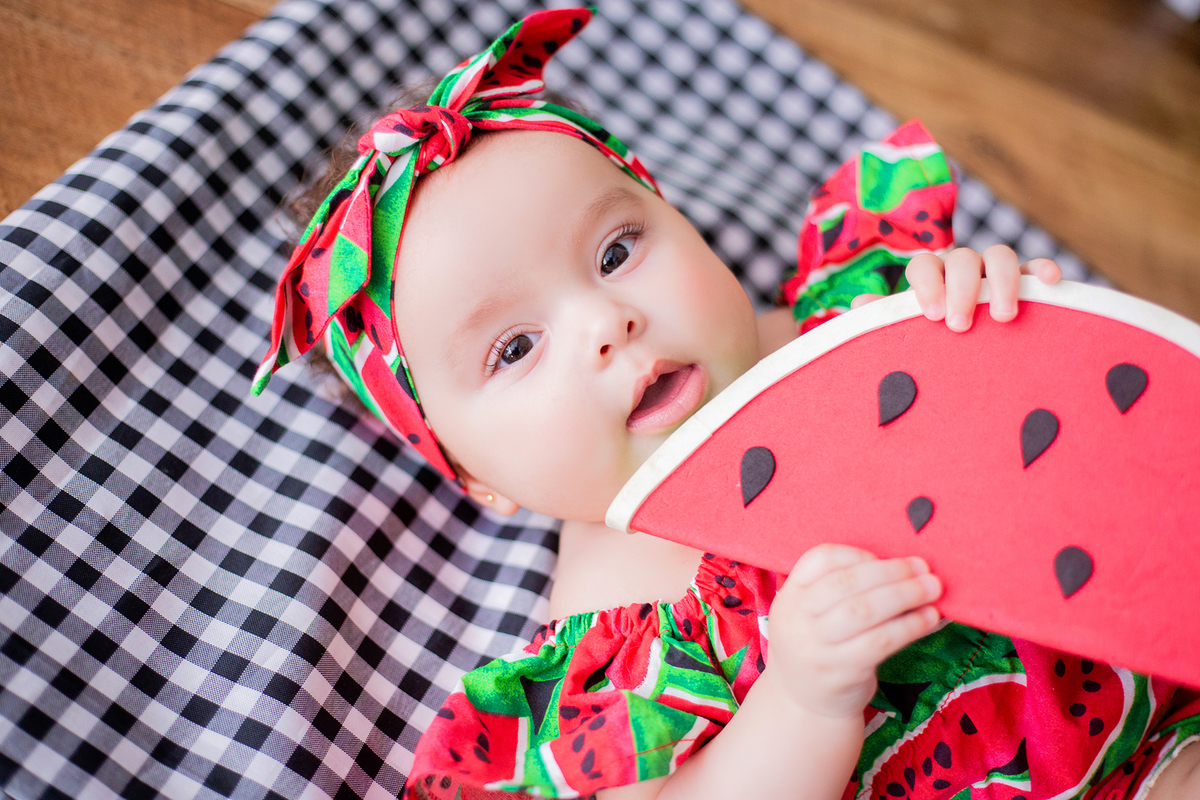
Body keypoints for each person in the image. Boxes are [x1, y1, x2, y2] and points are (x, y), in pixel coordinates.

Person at [252, 8, 1200, 800]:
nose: (607, 323)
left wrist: (1002, 311)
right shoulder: (622, 610)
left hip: (1158, 680)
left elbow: (1056, 421)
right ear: (476, 477)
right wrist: (801, 701)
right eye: (514, 348)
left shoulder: (861, 319)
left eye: (617, 251)